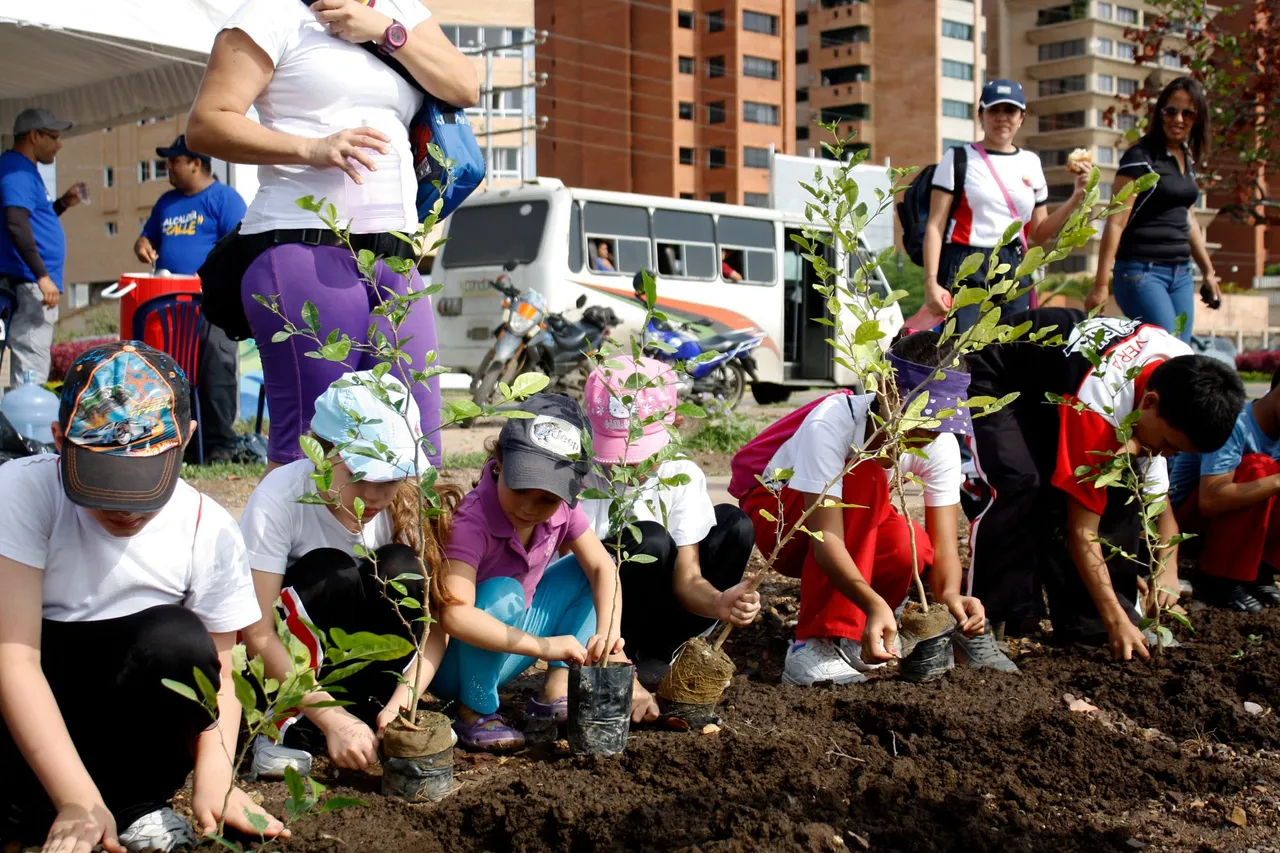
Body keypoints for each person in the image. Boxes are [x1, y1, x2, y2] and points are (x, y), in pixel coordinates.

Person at [0, 341, 284, 853]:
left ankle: (130, 802)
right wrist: (75, 799)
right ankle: (62, 804)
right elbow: (15, 660)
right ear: (59, 439)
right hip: (35, 701)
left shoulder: (207, 528)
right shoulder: (22, 495)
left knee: (177, 641)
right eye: (103, 484)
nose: (126, 511)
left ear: (187, 441)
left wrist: (216, 782)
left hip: (126, 720)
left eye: (143, 485)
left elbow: (216, 679)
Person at [186, 0, 479, 471]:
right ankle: (304, 548)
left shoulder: (398, 10)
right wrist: (310, 148)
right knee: (317, 448)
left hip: (396, 257)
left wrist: (386, 30)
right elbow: (206, 123)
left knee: (416, 447)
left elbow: (465, 86)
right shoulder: (273, 14)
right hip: (303, 245)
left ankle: (402, 549)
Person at [966, 309, 1244, 661]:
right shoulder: (1102, 405)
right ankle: (982, 620)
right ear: (1149, 403)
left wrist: (1168, 569)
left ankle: (1089, 624)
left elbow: (1158, 502)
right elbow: (1082, 530)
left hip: (1059, 383)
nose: (1166, 455)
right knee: (1022, 482)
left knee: (1118, 483)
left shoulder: (1183, 377)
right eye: (1169, 446)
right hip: (1001, 374)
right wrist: (1116, 620)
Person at [734, 331, 1007, 686]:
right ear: (884, 388)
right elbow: (825, 538)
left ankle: (857, 632)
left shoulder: (939, 443)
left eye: (938, 422)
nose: (925, 432)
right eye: (918, 416)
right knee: (865, 474)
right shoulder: (833, 420)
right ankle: (816, 644)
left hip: (841, 528)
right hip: (783, 521)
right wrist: (873, 602)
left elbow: (942, 549)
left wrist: (952, 596)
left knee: (908, 543)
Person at [239, 370, 455, 778]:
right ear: (321, 454)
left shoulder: (402, 508)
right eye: (359, 476)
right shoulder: (279, 499)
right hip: (291, 677)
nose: (374, 496)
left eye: (389, 478)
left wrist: (400, 703)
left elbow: (435, 627)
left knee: (401, 569)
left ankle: (370, 717)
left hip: (367, 679)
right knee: (330, 570)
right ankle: (288, 729)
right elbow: (257, 632)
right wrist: (330, 718)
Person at [435, 393, 658, 752]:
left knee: (586, 569)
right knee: (504, 592)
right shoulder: (472, 520)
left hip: (509, 644)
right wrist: (544, 646)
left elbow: (602, 568)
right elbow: (455, 615)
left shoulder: (562, 512)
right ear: (498, 461)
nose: (529, 507)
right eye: (521, 489)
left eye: (547, 499)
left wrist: (608, 635)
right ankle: (474, 711)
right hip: (456, 667)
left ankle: (556, 687)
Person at [579, 356, 760, 685]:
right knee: (650, 538)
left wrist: (720, 602)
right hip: (601, 615)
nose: (627, 465)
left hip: (662, 605)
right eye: (617, 451)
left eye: (640, 453)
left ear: (673, 425)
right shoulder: (585, 479)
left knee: (733, 524)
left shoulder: (681, 476)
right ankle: (625, 654)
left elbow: (687, 580)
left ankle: (661, 651)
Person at [923, 79, 1088, 333]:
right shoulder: (957, 158)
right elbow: (935, 226)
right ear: (981, 115)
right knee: (962, 348)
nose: (1002, 118)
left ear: (1021, 117)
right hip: (967, 260)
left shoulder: (1031, 162)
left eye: (1010, 111)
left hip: (1014, 262)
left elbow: (1039, 233)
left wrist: (1076, 197)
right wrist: (931, 283)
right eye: (994, 110)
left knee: (1011, 348)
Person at [135, 134, 248, 462]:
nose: (168, 166)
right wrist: (142, 245)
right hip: (168, 303)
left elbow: (238, 246)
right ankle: (170, 440)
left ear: (196, 163)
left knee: (216, 371)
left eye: (174, 160)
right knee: (166, 373)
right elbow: (146, 237)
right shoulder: (166, 203)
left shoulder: (224, 199)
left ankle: (219, 446)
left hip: (212, 302)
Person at [1088, 77, 1221, 342]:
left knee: (1179, 352)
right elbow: (1115, 222)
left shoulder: (1185, 158)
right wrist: (1101, 285)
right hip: (1140, 272)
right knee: (1166, 346)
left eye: (1188, 113)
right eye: (1171, 111)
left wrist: (1208, 272)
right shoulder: (1140, 158)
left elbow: (1189, 218)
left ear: (1198, 118)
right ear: (1159, 112)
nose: (1178, 119)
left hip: (1181, 273)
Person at [1168, 372, 1280, 612]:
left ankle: (1261, 571)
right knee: (1261, 469)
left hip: (1239, 530)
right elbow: (1209, 501)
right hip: (1187, 526)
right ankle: (1217, 579)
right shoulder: (1234, 423)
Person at [0, 107, 87, 385]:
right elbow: (15, 222)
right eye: (54, 136)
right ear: (35, 136)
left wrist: (63, 203)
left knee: (31, 359)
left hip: (30, 279)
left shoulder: (24, 170)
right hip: (28, 281)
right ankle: (26, 428)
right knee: (31, 363)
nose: (59, 144)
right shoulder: (16, 168)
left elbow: (32, 221)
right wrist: (42, 275)